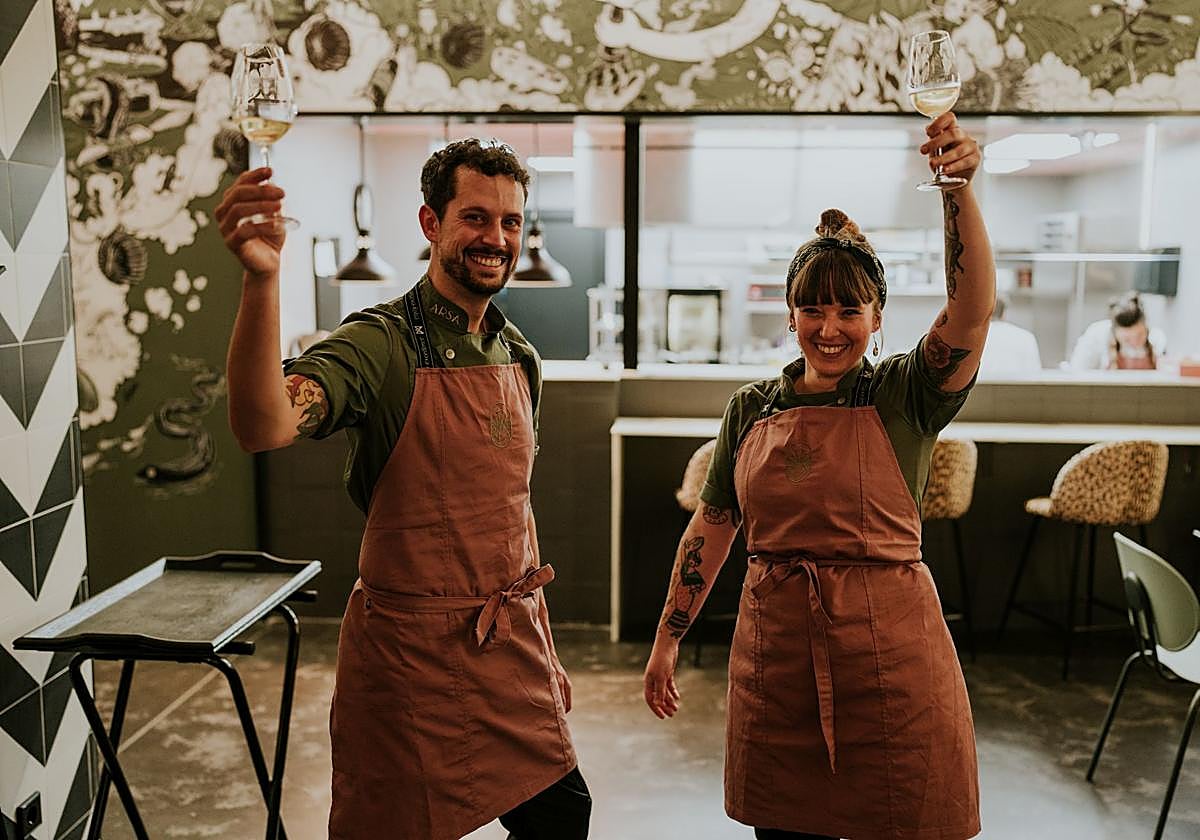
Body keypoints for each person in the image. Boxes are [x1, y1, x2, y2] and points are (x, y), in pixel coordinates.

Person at [215, 139, 590, 840]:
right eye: (475, 218)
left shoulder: (518, 354)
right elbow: (263, 426)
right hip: (409, 658)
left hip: (507, 644)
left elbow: (517, 513)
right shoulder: (380, 344)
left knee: (563, 814)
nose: (496, 238)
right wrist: (262, 281)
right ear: (430, 223)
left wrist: (545, 647)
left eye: (510, 222)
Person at [643, 112, 993, 840]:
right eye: (812, 309)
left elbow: (970, 312)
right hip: (777, 663)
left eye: (848, 310)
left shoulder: (905, 395)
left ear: (877, 316)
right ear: (789, 315)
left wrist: (957, 190)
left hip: (892, 663)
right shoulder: (751, 409)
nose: (829, 328)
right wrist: (669, 636)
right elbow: (713, 525)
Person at [1069, 290, 1165, 370]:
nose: (1135, 342)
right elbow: (1077, 372)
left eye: (1140, 336)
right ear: (1114, 331)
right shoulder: (1096, 336)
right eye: (1127, 340)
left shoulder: (1157, 339)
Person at [978, 294, 1041, 376]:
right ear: (1004, 313)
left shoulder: (977, 338)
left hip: (983, 384)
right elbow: (1035, 374)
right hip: (1018, 384)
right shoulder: (1027, 337)